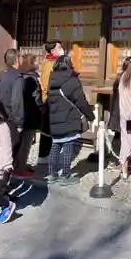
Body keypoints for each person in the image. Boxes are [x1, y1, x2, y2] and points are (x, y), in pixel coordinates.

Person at [46, 54, 94, 185]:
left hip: (55, 118)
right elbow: (81, 101)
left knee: (55, 145)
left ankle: (52, 174)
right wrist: (91, 116)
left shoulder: (52, 79)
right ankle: (66, 175)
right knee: (68, 145)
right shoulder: (71, 80)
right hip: (69, 117)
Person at [16, 54, 44, 176]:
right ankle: (20, 168)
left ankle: (17, 164)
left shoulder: (19, 76)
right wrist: (43, 110)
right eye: (37, 61)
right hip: (30, 115)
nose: (39, 63)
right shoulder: (32, 79)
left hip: (19, 114)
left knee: (18, 142)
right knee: (26, 143)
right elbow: (36, 99)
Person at [38, 40, 64, 160]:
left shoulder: (55, 62)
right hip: (50, 100)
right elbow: (48, 84)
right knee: (48, 130)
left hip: (55, 99)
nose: (62, 49)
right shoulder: (49, 63)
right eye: (59, 47)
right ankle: (45, 156)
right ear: (53, 50)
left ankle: (49, 155)